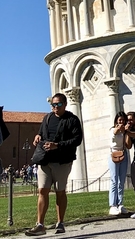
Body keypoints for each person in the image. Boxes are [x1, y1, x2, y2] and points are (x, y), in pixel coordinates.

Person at [25, 93, 83, 237]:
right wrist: (38, 136)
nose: (54, 107)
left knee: (60, 192)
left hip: (62, 161)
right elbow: (42, 133)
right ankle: (40, 225)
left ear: (65, 104)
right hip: (45, 160)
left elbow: (77, 140)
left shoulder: (72, 120)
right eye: (53, 104)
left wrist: (57, 145)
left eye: (58, 104)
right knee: (42, 191)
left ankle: (60, 222)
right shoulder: (47, 118)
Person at [108, 112, 129, 216]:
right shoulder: (112, 129)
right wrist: (120, 128)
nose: (122, 122)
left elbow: (128, 143)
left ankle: (120, 204)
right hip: (113, 155)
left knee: (121, 181)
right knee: (114, 180)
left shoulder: (125, 131)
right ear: (116, 120)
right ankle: (113, 205)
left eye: (123, 120)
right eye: (120, 120)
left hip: (123, 154)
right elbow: (115, 132)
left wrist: (126, 130)